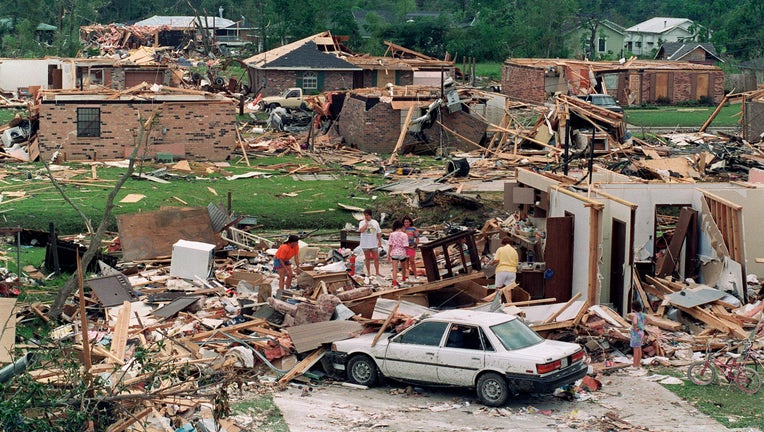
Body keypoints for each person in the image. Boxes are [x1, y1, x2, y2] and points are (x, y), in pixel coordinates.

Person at [358, 209, 382, 277]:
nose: (366, 216)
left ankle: (377, 272)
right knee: (367, 258)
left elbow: (379, 232)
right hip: (365, 243)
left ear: (370, 215)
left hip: (374, 243)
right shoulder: (362, 222)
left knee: (376, 258)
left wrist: (379, 242)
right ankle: (368, 272)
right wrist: (366, 224)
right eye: (365, 215)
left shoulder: (375, 222)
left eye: (367, 215)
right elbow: (361, 230)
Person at [387, 220, 409, 287]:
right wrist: (407, 253)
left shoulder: (392, 234)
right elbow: (406, 245)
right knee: (403, 268)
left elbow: (390, 245)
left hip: (394, 253)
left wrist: (388, 255)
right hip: (402, 253)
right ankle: (404, 279)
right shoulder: (404, 235)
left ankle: (394, 282)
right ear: (401, 226)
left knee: (394, 268)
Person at [630, 301, 646, 369]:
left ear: (633, 307)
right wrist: (643, 325)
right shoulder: (642, 314)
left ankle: (635, 365)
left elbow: (635, 322)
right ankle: (638, 364)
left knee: (635, 350)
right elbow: (650, 319)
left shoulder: (635, 315)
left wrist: (635, 328)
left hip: (636, 333)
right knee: (639, 348)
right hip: (641, 332)